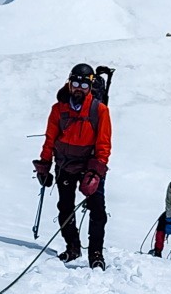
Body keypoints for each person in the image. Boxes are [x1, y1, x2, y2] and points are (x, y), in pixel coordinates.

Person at [33, 63, 112, 270]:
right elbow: (50, 139)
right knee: (65, 208)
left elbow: (104, 144)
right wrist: (44, 165)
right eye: (75, 83)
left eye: (84, 84)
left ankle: (96, 254)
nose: (79, 88)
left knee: (98, 211)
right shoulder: (58, 109)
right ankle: (73, 247)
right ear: (69, 83)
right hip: (65, 165)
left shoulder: (100, 110)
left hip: (89, 167)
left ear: (90, 86)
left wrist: (96, 171)